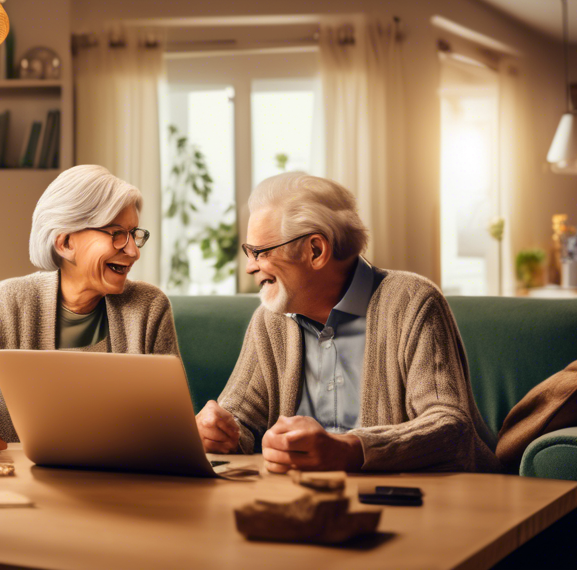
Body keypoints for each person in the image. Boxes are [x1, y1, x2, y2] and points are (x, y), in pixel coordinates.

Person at [195, 172, 500, 473]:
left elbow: (450, 428)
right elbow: (240, 419)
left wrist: (350, 450)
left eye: (260, 252)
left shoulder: (413, 302)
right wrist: (218, 430)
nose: (250, 267)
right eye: (249, 252)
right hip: (303, 504)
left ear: (315, 250)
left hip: (423, 504)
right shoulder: (270, 319)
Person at [0, 165, 180, 453]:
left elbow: (173, 425)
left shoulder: (149, 308)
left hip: (115, 485)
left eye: (134, 234)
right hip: (13, 482)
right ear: (66, 242)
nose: (133, 251)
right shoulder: (11, 302)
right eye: (117, 233)